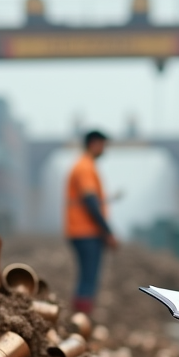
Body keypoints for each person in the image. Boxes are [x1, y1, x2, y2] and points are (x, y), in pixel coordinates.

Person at [64, 130, 117, 314]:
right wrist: (107, 232)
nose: (104, 149)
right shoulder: (85, 167)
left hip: (80, 231)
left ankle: (80, 318)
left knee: (86, 276)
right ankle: (81, 318)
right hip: (86, 232)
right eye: (103, 144)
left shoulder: (83, 165)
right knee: (89, 277)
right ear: (94, 144)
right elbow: (91, 202)